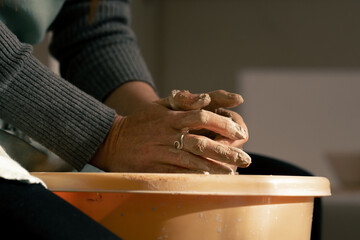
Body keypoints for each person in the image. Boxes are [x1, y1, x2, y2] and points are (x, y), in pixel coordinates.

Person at [0, 0, 250, 238]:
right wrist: (109, 135)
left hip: (26, 119)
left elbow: (94, 34)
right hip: (28, 118)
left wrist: (165, 124)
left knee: (276, 181)